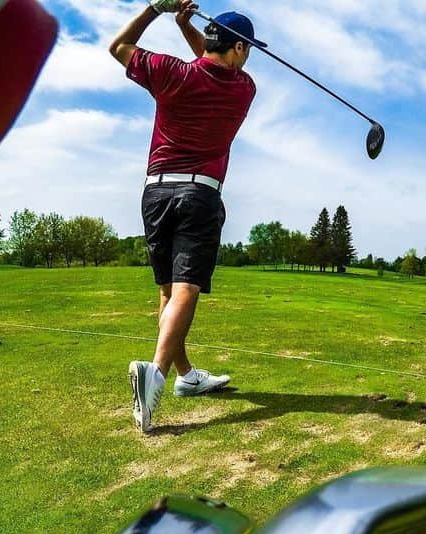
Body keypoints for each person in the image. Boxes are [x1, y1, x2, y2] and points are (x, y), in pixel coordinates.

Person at [109, 0, 261, 432]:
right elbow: (217, 64)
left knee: (167, 292)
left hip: (154, 192)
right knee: (186, 290)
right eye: (245, 49)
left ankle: (186, 376)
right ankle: (154, 374)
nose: (246, 56)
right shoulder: (243, 89)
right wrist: (185, 26)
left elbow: (120, 46)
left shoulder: (171, 73)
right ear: (238, 50)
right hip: (199, 194)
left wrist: (157, 11)